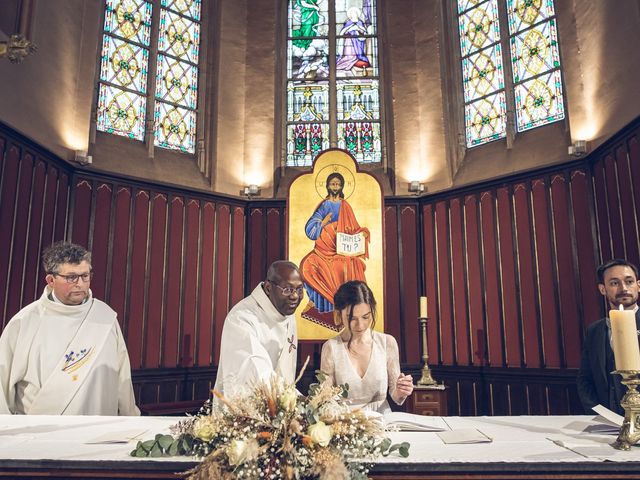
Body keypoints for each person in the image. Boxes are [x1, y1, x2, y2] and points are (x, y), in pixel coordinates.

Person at [0, 241, 139, 415]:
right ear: (51, 280)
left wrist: (130, 419)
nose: (80, 283)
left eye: (85, 276)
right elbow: (2, 381)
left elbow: (123, 377)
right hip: (40, 434)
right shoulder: (25, 321)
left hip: (100, 429)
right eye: (71, 277)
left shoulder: (105, 317)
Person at [320, 280, 413, 413]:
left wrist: (401, 390)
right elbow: (326, 399)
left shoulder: (387, 343)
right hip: (345, 423)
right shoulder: (331, 348)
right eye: (352, 318)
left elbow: (396, 397)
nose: (360, 325)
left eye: (365, 317)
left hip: (382, 421)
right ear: (339, 314)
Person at [214, 261, 304, 397]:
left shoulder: (286, 313)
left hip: (282, 409)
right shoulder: (242, 318)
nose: (295, 296)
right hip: (246, 410)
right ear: (268, 288)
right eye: (288, 289)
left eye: (299, 289)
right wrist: (296, 399)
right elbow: (256, 371)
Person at [300, 172, 370, 330]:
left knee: (345, 267)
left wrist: (363, 233)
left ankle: (344, 308)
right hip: (324, 247)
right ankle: (317, 302)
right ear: (327, 186)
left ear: (342, 186)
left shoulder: (345, 205)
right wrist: (322, 222)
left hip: (340, 248)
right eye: (332, 184)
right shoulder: (324, 205)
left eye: (338, 184)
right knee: (308, 266)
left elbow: (354, 227)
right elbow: (312, 224)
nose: (335, 187)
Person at [577, 259, 640, 415]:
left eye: (629, 281)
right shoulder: (594, 331)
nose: (624, 288)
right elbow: (585, 379)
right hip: (606, 425)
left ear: (638, 285)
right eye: (614, 283)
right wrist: (599, 414)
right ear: (602, 289)